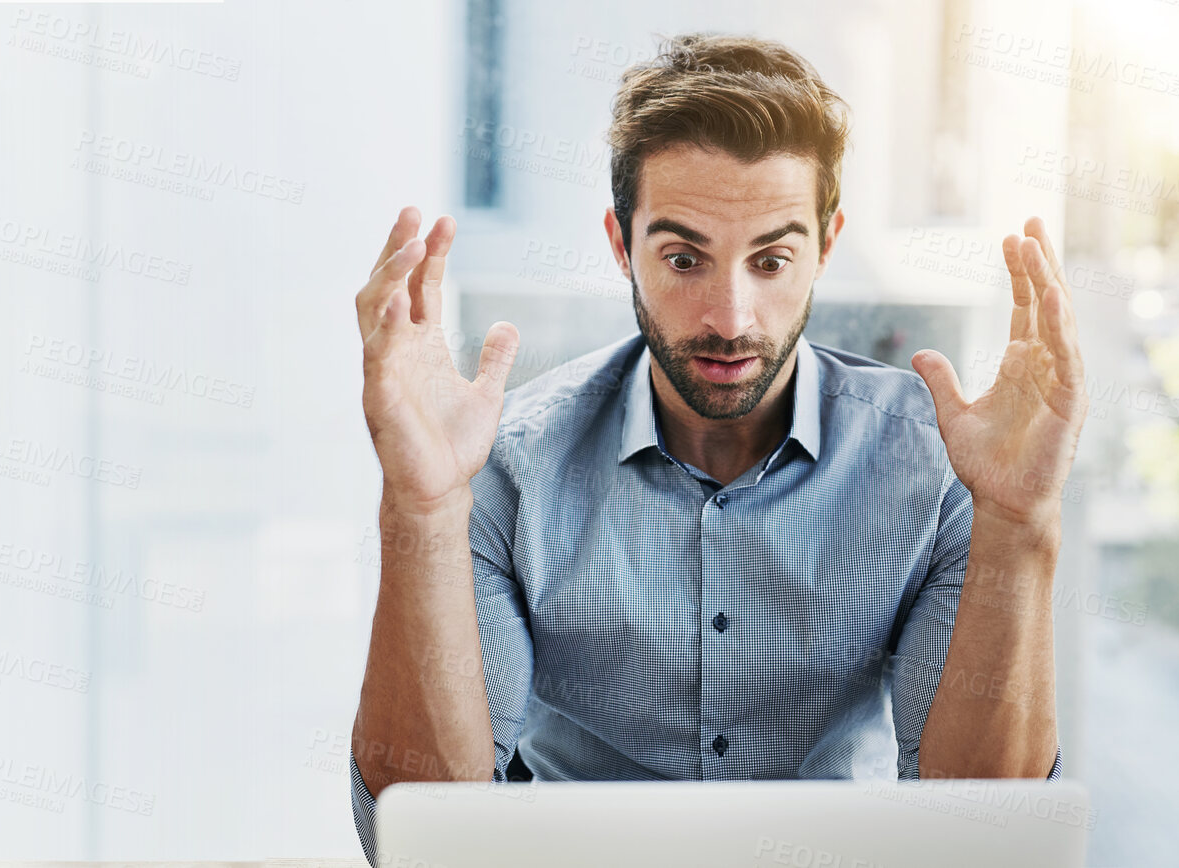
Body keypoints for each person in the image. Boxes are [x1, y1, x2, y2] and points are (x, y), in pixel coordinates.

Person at [346, 33, 1087, 863]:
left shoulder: (936, 468)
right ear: (622, 246)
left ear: (826, 248)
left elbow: (988, 838)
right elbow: (419, 833)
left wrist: (1021, 522)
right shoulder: (509, 465)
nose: (730, 317)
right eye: (683, 257)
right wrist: (422, 507)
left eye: (771, 259)